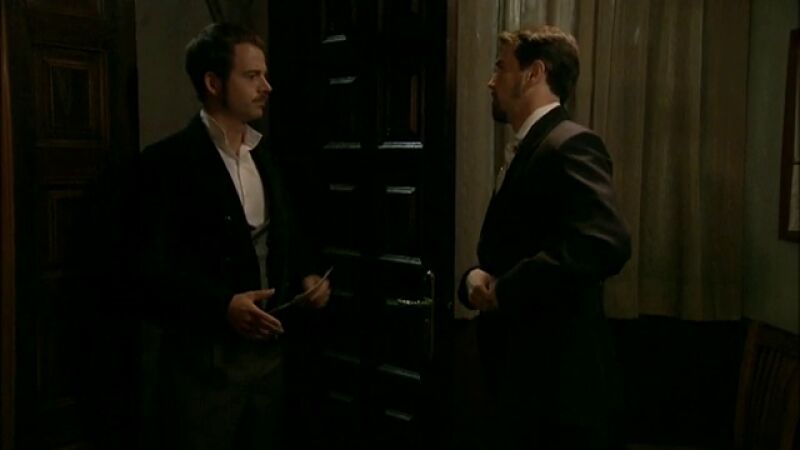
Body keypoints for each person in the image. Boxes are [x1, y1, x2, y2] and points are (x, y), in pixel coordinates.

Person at [135, 22, 330, 450]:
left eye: (265, 75)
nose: (267, 87)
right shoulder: (167, 163)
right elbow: (147, 269)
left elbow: (286, 234)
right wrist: (221, 305)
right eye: (252, 76)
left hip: (269, 361)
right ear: (213, 82)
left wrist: (307, 276)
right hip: (202, 366)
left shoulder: (266, 156)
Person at [458, 25, 631, 449]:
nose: (491, 81)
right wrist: (474, 279)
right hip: (524, 384)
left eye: (501, 67)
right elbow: (515, 245)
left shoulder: (571, 143)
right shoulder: (533, 145)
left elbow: (604, 242)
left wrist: (507, 288)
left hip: (558, 392)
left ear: (534, 73)